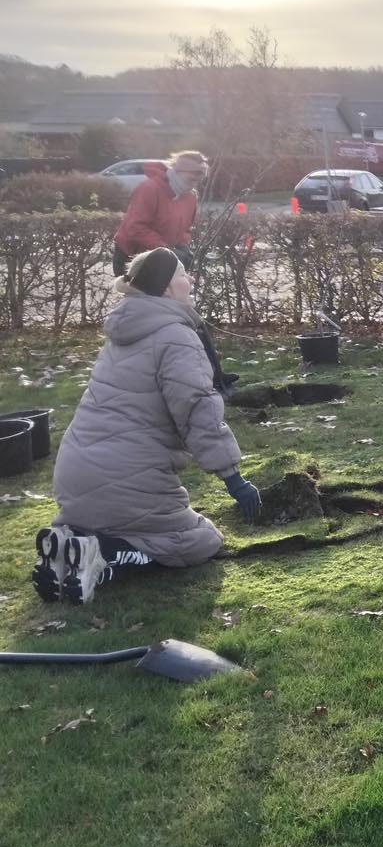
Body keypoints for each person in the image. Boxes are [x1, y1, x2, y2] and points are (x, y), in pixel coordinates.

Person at [31, 247, 259, 604]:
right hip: (127, 481)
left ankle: (70, 542)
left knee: (104, 517)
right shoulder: (177, 336)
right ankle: (110, 556)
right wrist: (234, 478)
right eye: (184, 273)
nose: (191, 279)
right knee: (201, 540)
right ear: (167, 288)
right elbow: (197, 408)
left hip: (73, 478)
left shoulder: (123, 331)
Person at [111, 150, 210, 278]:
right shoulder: (149, 189)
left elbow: (185, 229)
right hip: (133, 257)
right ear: (178, 171)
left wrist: (182, 247)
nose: (195, 184)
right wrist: (165, 249)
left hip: (163, 259)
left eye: (199, 180)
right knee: (139, 297)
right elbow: (135, 227)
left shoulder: (190, 196)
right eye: (192, 179)